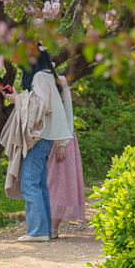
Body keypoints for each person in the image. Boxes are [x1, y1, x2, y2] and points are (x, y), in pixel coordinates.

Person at [2, 47, 74, 242]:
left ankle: (38, 231)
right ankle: (45, 230)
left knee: (29, 182)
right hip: (47, 137)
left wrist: (16, 99)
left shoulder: (40, 77)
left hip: (39, 137)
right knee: (40, 184)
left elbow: (40, 105)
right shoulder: (49, 75)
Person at [47, 68, 86, 239]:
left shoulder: (59, 81)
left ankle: (53, 228)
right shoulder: (36, 80)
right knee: (46, 184)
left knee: (60, 184)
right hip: (45, 138)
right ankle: (45, 226)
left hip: (62, 137)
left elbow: (66, 113)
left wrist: (61, 142)